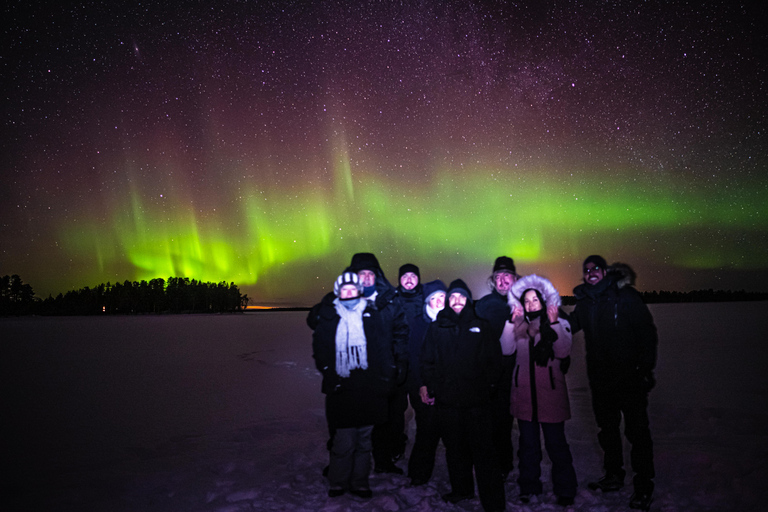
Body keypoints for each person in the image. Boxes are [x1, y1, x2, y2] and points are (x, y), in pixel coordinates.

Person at [570, 255, 658, 511]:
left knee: (637, 433)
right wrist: (547, 320)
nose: (591, 273)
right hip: (601, 381)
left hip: (630, 379)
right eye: (586, 270)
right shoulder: (585, 303)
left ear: (605, 271)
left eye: (595, 268)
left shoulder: (626, 297)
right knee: (607, 431)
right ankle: (614, 475)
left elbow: (647, 332)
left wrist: (645, 369)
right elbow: (570, 325)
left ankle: (644, 486)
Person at [421, 279, 506, 512]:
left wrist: (487, 387)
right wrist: (431, 385)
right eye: (452, 297)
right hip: (448, 403)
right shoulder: (438, 326)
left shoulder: (481, 325)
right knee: (455, 450)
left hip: (477, 403)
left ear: (468, 300)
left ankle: (493, 500)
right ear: (448, 302)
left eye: (461, 297)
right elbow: (427, 360)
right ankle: (462, 490)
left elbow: (494, 361)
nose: (457, 301)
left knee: (484, 452)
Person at [311, 272, 396, 498]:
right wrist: (329, 373)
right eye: (345, 290)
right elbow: (320, 348)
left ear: (359, 291)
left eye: (353, 290)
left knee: (365, 441)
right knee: (344, 440)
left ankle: (360, 482)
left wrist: (385, 378)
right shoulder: (330, 315)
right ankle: (338, 482)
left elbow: (381, 349)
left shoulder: (371, 314)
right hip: (342, 387)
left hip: (368, 388)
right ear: (339, 292)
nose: (349, 294)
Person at [500, 275, 577, 506]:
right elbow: (506, 350)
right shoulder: (519, 325)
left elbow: (563, 351)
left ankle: (565, 489)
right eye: (527, 300)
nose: (531, 304)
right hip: (524, 395)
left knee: (556, 446)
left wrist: (553, 322)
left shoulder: (559, 323)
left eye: (535, 300)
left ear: (544, 301)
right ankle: (529, 486)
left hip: (550, 395)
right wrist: (510, 323)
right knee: (528, 447)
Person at [347, 252, 410, 475]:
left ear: (377, 276)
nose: (365, 278)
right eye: (360, 273)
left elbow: (401, 333)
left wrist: (400, 361)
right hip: (354, 373)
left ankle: (383, 461)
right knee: (353, 423)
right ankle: (345, 463)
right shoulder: (344, 300)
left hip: (383, 371)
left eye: (370, 273)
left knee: (383, 421)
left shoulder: (390, 300)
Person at [475, 256, 518, 478]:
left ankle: (508, 463)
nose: (502, 282)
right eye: (498, 278)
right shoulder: (484, 305)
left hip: (520, 376)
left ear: (515, 279)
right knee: (495, 422)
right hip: (493, 377)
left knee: (515, 423)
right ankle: (497, 464)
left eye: (506, 277)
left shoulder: (527, 302)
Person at [406, 279, 446, 486]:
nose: (439, 302)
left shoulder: (450, 321)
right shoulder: (418, 323)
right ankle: (418, 474)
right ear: (427, 302)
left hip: (446, 386)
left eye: (442, 297)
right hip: (423, 386)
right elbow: (413, 357)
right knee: (427, 430)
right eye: (434, 298)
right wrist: (421, 385)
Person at [391, 263, 423, 462]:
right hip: (397, 365)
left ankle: (423, 447)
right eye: (405, 276)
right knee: (395, 411)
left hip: (420, 366)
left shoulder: (428, 299)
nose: (409, 279)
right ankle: (396, 446)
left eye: (413, 276)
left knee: (423, 409)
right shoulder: (391, 300)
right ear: (399, 279)